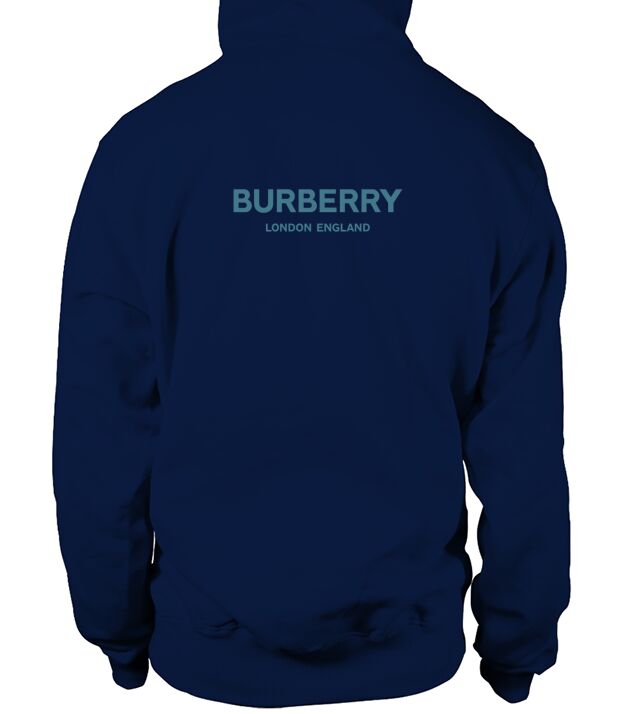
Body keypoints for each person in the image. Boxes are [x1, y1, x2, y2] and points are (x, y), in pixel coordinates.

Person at [52, 0, 570, 706]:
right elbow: (522, 438)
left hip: (205, 643)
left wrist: (116, 627)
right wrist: (516, 642)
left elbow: (102, 428)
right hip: (411, 647)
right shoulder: (492, 156)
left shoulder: (142, 152)